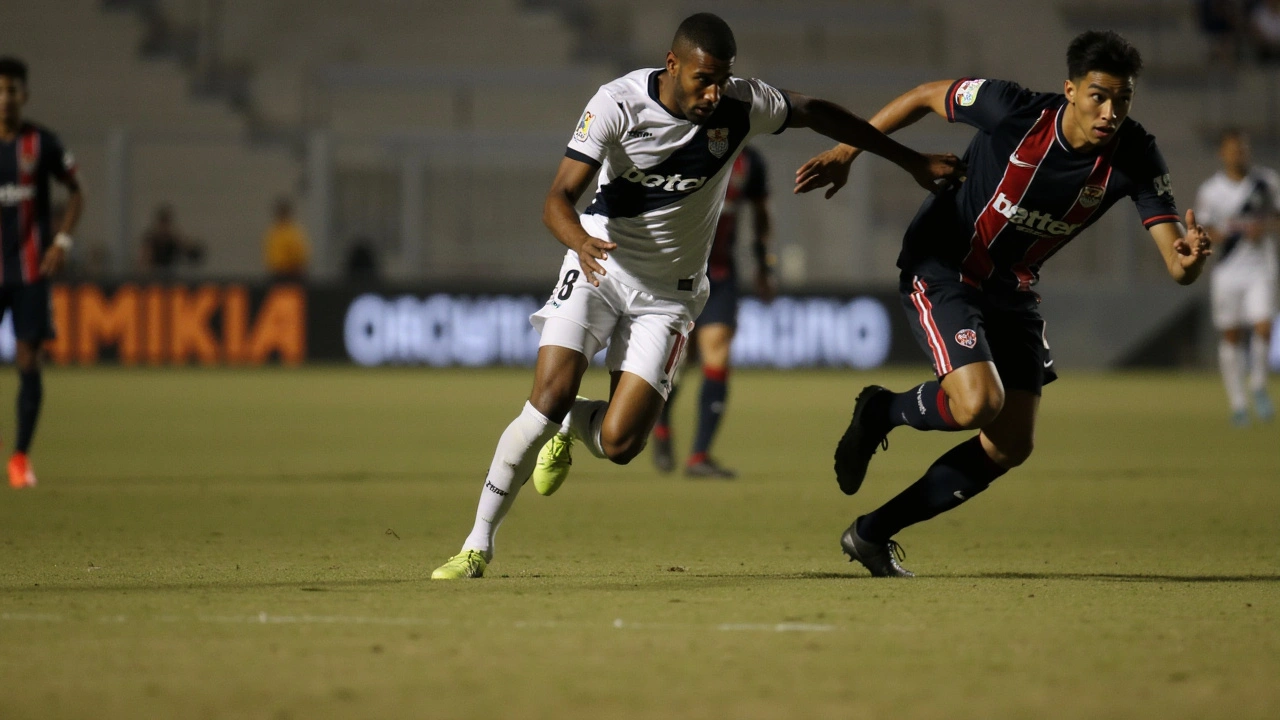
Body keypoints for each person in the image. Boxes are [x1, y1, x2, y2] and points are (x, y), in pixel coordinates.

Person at [430, 12, 962, 579]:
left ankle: (572, 425)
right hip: (598, 264)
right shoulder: (616, 104)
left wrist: (905, 161)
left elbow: (816, 111)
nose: (713, 93)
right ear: (672, 65)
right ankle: (477, 545)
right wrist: (582, 241)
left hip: (669, 295)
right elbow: (557, 199)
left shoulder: (740, 104)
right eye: (702, 79)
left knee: (620, 444)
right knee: (545, 399)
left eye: (722, 79)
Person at [794, 31, 1212, 577]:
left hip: (1012, 286)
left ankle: (871, 533)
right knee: (976, 404)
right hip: (944, 266)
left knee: (1011, 442)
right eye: (1099, 96)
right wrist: (849, 151)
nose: (1111, 111)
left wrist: (1192, 260)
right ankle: (883, 411)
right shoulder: (1012, 109)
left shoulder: (1135, 154)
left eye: (1123, 98)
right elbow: (924, 94)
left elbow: (1178, 266)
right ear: (1070, 90)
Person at [651, 144, 775, 478]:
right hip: (675, 273)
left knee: (716, 353)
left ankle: (699, 457)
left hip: (720, 274)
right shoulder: (681, 147)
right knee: (679, 362)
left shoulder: (749, 161)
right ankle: (659, 425)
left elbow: (761, 213)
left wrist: (763, 265)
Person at [0, 57, 84, 489]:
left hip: (30, 270)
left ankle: (19, 459)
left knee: (30, 360)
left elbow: (76, 194)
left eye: (11, 91)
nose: (4, 100)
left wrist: (62, 241)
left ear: (24, 95)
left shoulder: (41, 143)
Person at [1195, 129, 1277, 425]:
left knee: (1264, 325)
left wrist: (1264, 226)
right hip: (1228, 270)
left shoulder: (1266, 183)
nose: (1238, 154)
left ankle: (1257, 383)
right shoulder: (1211, 190)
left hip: (1260, 267)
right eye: (1233, 149)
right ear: (1222, 153)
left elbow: (1277, 217)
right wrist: (1231, 231)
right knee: (1231, 335)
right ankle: (1238, 403)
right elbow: (1203, 230)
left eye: (1242, 149)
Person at [139, 204, 201, 275]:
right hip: (154, 277)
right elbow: (143, 263)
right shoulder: (150, 240)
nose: (164, 228)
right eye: (162, 224)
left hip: (171, 277)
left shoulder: (174, 240)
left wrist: (181, 241)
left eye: (167, 224)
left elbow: (192, 253)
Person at [263, 197, 310, 280]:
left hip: (291, 275)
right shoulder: (274, 232)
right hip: (276, 274)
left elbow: (301, 256)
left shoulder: (293, 232)